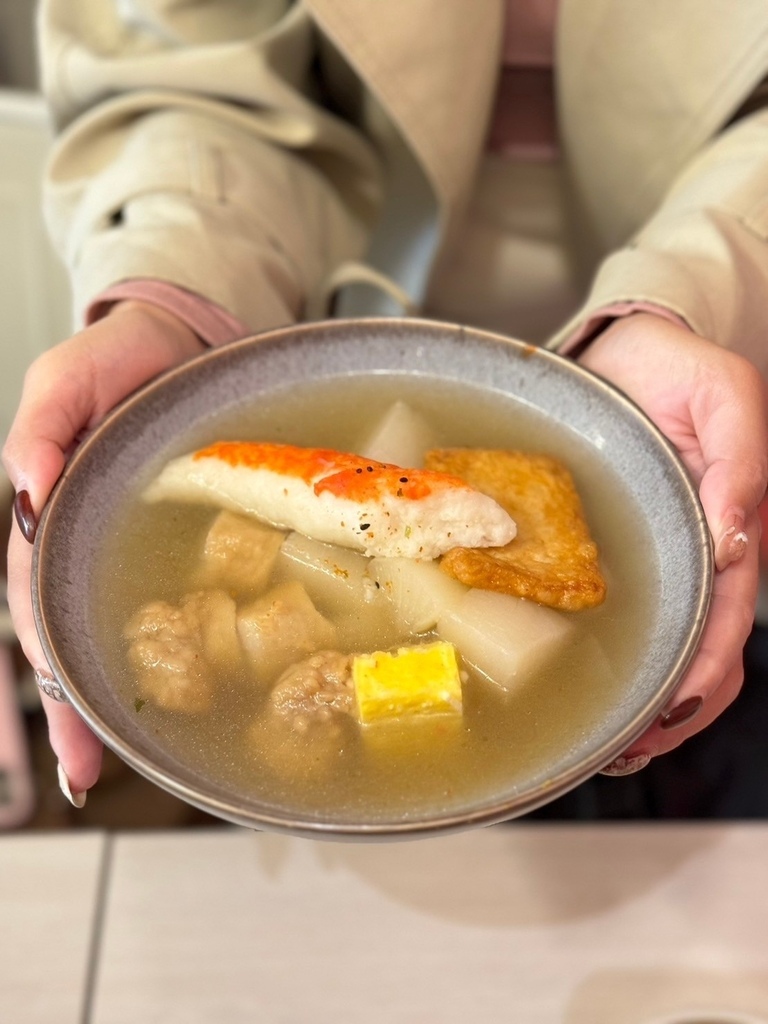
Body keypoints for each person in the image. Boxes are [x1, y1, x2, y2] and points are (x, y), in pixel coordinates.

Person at [4, 0, 767, 810]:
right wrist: (174, 285)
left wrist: (701, 288)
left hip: (705, 326)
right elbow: (179, 70)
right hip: (305, 299)